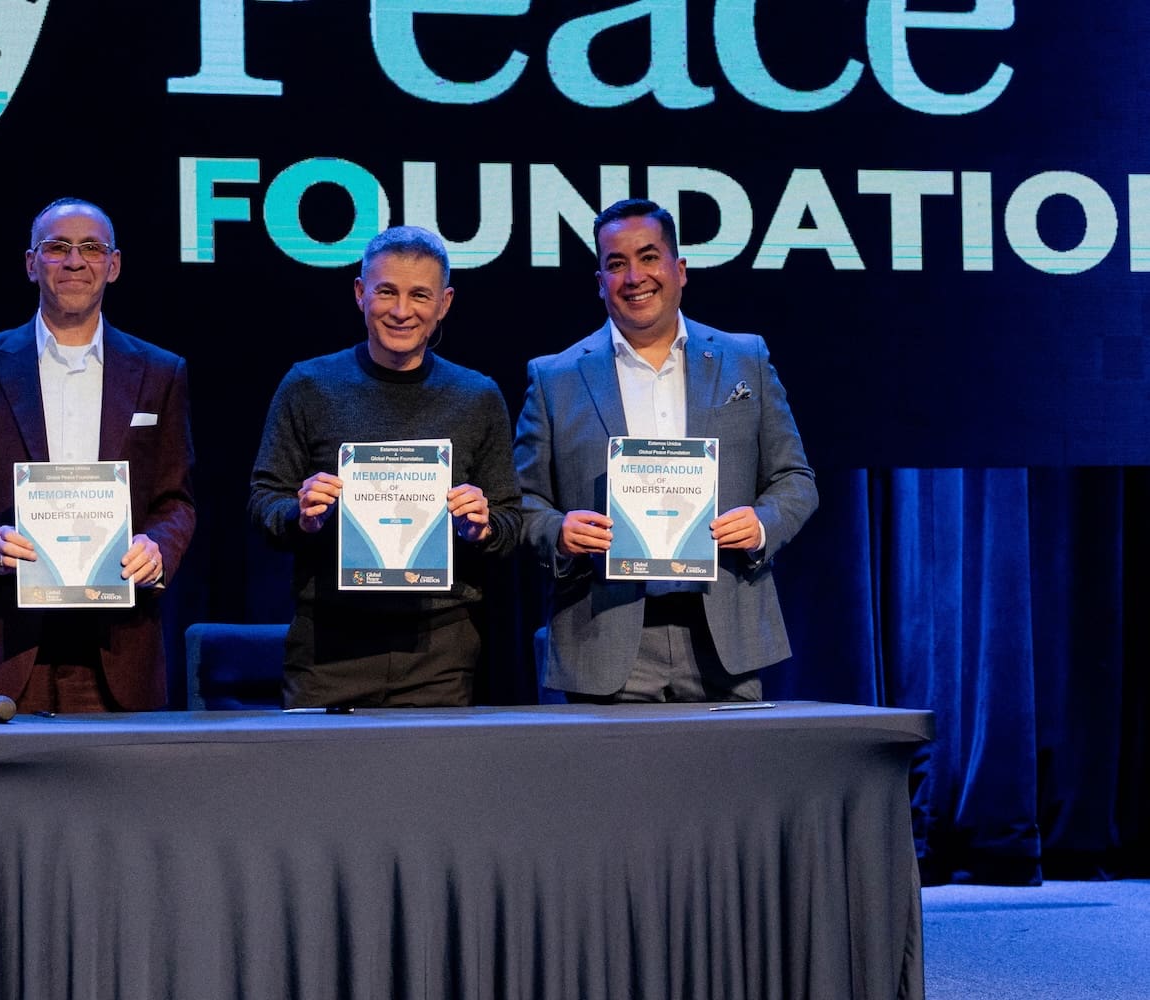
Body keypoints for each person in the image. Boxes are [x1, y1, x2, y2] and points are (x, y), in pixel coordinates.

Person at [513, 198, 817, 703]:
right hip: (605, 636)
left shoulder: (745, 358)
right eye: (616, 263)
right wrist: (559, 532)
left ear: (679, 270)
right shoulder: (554, 377)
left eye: (649, 257)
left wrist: (761, 523)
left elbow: (795, 480)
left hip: (725, 633)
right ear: (600, 281)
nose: (634, 276)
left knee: (729, 782)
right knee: (614, 785)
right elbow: (521, 502)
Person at [0, 197, 195, 714]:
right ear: (30, 263)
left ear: (113, 266)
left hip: (117, 648)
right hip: (1, 643)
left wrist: (157, 549)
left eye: (91, 248)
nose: (74, 261)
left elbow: (176, 500)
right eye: (57, 248)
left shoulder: (161, 371)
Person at [249, 225, 522, 709]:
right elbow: (264, 503)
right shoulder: (308, 385)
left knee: (430, 786)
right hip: (328, 648)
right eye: (386, 292)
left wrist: (481, 527)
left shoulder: (478, 396)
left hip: (440, 650)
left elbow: (508, 520)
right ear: (360, 293)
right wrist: (302, 515)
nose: (401, 311)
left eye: (420, 295)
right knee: (320, 786)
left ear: (445, 302)